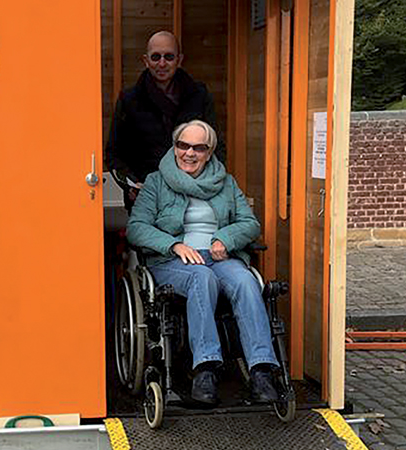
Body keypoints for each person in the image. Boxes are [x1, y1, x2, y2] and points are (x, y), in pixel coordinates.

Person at [126, 119, 279, 406]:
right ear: (174, 147)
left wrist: (225, 239)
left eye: (198, 147)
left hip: (220, 257)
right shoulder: (156, 182)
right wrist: (173, 244)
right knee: (201, 277)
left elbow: (250, 224)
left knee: (247, 281)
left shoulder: (226, 182)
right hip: (173, 261)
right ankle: (205, 369)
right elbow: (136, 228)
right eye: (183, 145)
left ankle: (261, 371)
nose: (189, 153)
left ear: (209, 153)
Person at [105, 31, 223, 207]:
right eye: (155, 57)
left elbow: (216, 146)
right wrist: (131, 184)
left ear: (179, 59)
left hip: (194, 196)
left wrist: (209, 184)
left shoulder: (199, 95)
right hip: (145, 196)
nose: (162, 63)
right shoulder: (129, 100)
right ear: (146, 60)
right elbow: (114, 154)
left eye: (169, 57)